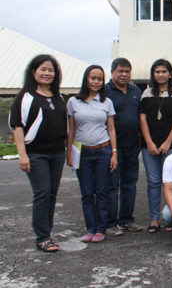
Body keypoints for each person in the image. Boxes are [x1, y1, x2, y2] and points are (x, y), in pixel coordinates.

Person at [9, 55, 67, 252]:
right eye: (43, 69)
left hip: (57, 153)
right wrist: (22, 154)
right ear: (33, 72)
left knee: (51, 194)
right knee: (42, 193)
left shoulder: (58, 96)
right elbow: (17, 126)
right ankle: (42, 236)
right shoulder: (25, 97)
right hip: (36, 154)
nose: (47, 73)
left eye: (51, 70)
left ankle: (47, 233)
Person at [66, 65, 118, 243]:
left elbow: (111, 128)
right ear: (86, 79)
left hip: (103, 150)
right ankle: (90, 228)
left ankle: (101, 229)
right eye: (93, 78)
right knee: (87, 192)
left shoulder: (106, 102)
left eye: (99, 79)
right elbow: (71, 129)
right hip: (83, 152)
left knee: (102, 191)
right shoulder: (73, 102)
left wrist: (114, 153)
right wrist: (69, 153)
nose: (96, 82)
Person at [139, 59, 172, 233]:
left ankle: (170, 217)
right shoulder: (146, 94)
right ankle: (154, 218)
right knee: (153, 182)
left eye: (164, 72)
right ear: (153, 74)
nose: (160, 75)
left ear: (169, 74)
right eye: (157, 72)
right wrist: (149, 142)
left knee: (171, 183)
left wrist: (167, 142)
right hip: (149, 146)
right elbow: (142, 119)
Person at [105, 58, 144, 236]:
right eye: (120, 71)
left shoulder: (136, 90)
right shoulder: (104, 91)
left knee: (130, 184)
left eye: (127, 71)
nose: (124, 74)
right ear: (112, 72)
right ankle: (110, 222)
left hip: (132, 146)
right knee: (112, 185)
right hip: (111, 148)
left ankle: (127, 219)